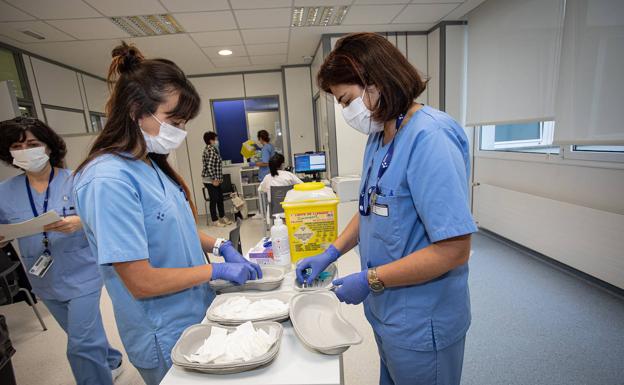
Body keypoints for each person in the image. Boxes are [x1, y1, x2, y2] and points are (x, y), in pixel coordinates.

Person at [72, 42, 262, 385]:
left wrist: (220, 247)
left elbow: (174, 229)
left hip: (194, 312)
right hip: (162, 328)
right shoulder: (107, 180)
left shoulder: (151, 166)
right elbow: (141, 282)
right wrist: (213, 270)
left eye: (184, 122)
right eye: (174, 120)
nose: (180, 131)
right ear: (135, 110)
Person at [295, 33, 477, 385]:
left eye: (347, 100)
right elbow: (369, 208)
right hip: (387, 313)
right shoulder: (380, 136)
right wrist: (330, 252)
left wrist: (370, 279)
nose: (347, 111)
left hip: (423, 321)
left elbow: (455, 249)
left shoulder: (430, 138)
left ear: (375, 82)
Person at [0, 117, 123, 385]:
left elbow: (107, 216)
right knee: (80, 333)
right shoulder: (4, 192)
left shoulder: (77, 180)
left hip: (84, 273)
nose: (25, 150)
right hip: (43, 277)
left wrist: (81, 221)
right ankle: (111, 360)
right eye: (17, 145)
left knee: (80, 345)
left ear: (48, 146)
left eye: (32, 143)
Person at [202, 131, 232, 227]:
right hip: (210, 180)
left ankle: (222, 216)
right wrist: (214, 179)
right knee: (214, 199)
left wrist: (217, 179)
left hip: (216, 179)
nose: (217, 141)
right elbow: (209, 166)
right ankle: (215, 220)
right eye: (215, 139)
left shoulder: (213, 149)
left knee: (219, 199)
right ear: (211, 140)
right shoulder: (210, 150)